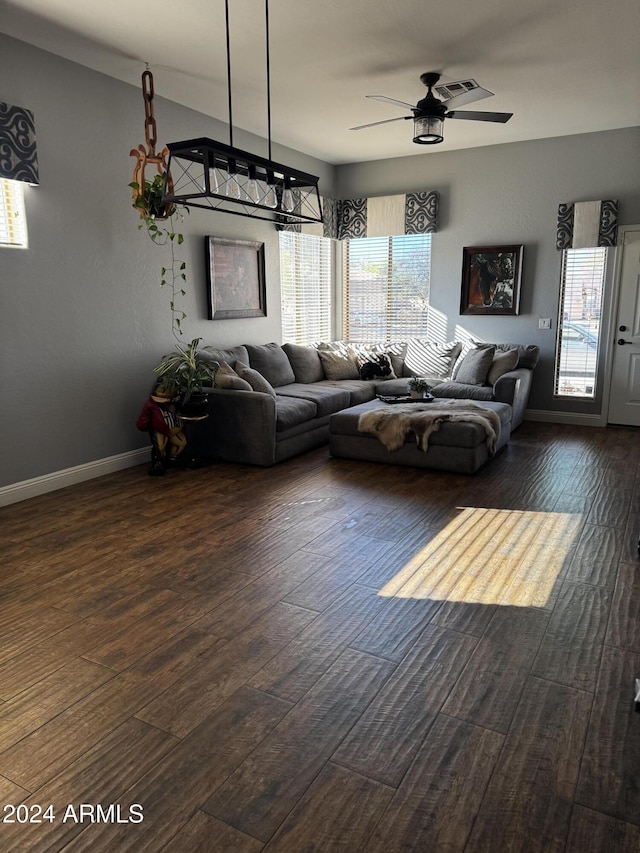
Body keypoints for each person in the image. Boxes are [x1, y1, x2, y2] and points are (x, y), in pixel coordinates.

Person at [136, 381, 187, 475]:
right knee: (160, 446)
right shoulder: (151, 405)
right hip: (160, 428)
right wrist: (142, 425)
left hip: (175, 427)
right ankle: (159, 463)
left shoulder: (176, 401)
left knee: (181, 443)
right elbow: (145, 417)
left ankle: (173, 458)